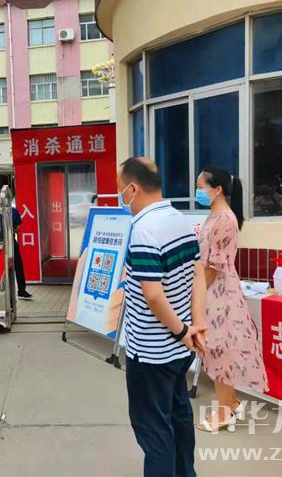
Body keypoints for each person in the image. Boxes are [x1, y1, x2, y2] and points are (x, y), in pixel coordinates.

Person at [118, 157, 207, 477]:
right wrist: (194, 326)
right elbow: (198, 274)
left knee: (154, 430)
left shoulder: (144, 229)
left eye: (120, 190)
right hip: (180, 351)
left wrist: (183, 330)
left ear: (133, 189)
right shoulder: (180, 220)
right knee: (178, 414)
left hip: (151, 354)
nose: (121, 198)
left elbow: (153, 295)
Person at [195, 167, 268, 432]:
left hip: (218, 293)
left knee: (218, 351)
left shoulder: (225, 219)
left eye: (201, 187)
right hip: (213, 290)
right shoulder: (215, 216)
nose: (197, 191)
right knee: (216, 350)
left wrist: (197, 296)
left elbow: (214, 266)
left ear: (217, 190)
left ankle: (224, 412)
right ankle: (231, 402)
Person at [12, 204, 33, 301]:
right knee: (18, 267)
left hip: (2, 244)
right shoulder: (13, 211)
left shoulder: (13, 211)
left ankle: (20, 291)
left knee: (17, 267)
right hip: (9, 243)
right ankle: (21, 290)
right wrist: (13, 229)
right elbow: (18, 229)